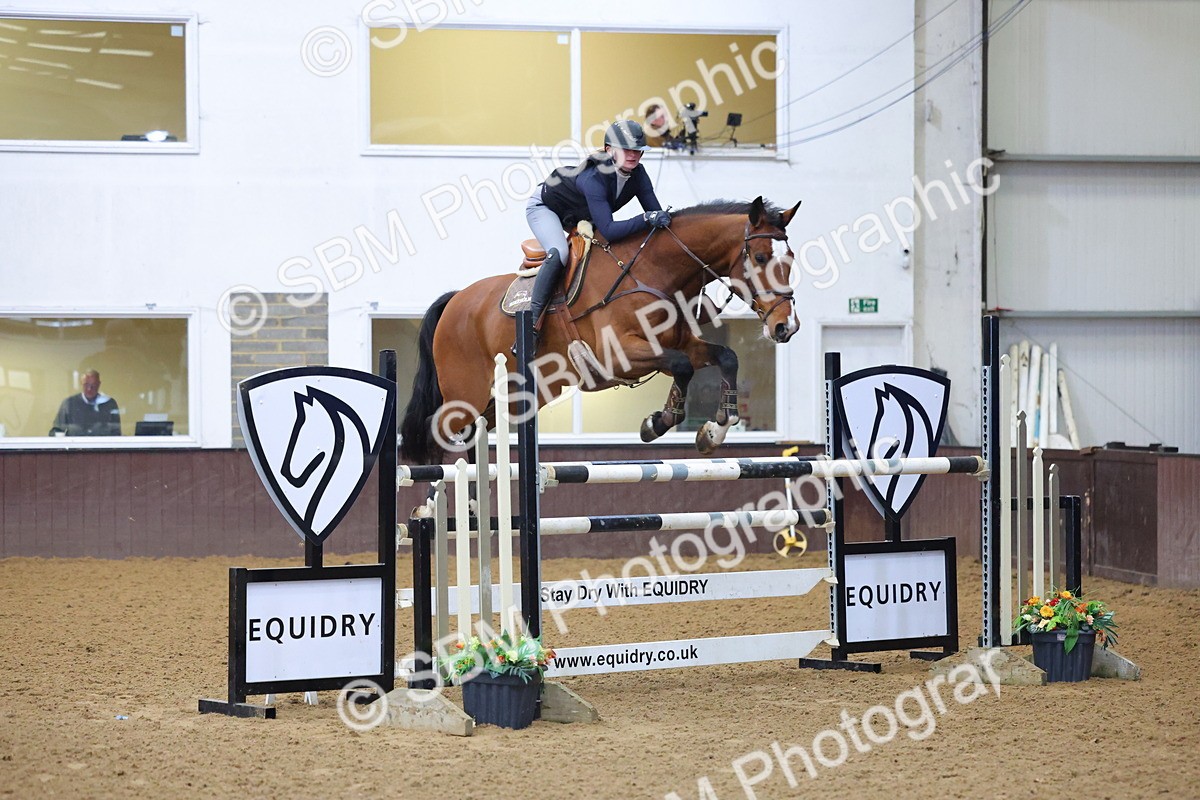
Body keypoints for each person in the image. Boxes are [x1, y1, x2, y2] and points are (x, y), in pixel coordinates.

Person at [523, 119, 672, 351]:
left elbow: (656, 215)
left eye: (638, 150)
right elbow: (611, 230)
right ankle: (531, 327)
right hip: (546, 207)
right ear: (609, 150)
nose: (634, 155)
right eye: (627, 150)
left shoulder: (639, 175)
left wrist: (664, 221)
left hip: (581, 214)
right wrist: (646, 219)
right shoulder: (594, 178)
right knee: (560, 252)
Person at [51, 369, 121, 436]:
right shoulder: (69, 404)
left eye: (93, 385)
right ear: (81, 383)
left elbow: (116, 434)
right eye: (86, 384)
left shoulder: (109, 404)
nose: (89, 389)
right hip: (75, 447)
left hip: (101, 448)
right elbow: (56, 431)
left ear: (99, 384)